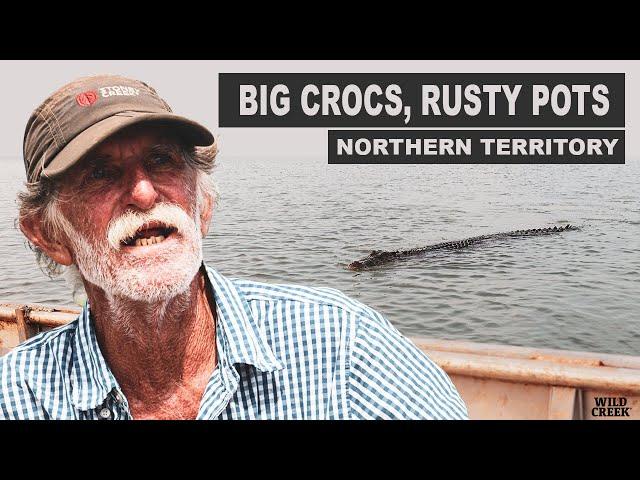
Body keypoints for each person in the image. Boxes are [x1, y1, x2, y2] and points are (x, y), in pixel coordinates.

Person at [0, 74, 468, 420]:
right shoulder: (18, 396)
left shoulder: (342, 346)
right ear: (50, 235)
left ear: (202, 206)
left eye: (161, 161)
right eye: (100, 174)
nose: (143, 193)